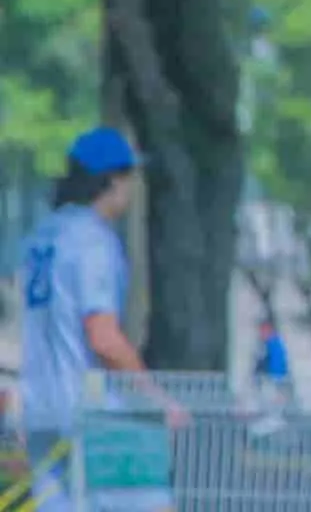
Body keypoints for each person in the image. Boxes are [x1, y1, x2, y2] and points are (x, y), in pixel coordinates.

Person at [16, 127, 187, 512]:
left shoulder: (41, 238)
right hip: (96, 415)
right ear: (113, 181)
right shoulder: (92, 240)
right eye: (129, 178)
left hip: (41, 411)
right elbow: (103, 338)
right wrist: (153, 398)